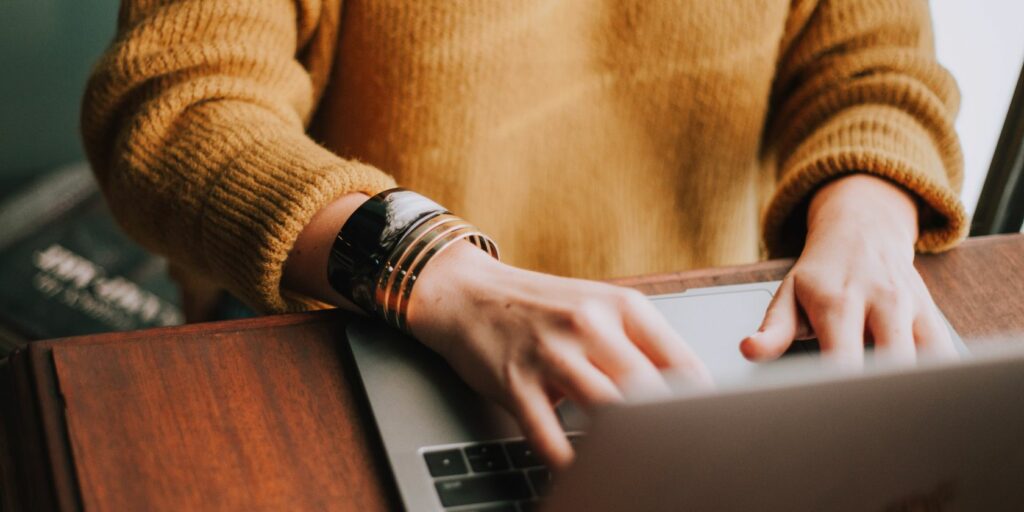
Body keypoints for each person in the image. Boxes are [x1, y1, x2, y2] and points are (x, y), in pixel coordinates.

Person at [81, 0, 967, 468]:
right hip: (364, 342)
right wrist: (436, 271)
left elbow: (877, 68)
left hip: (700, 365)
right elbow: (175, 108)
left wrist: (869, 212)